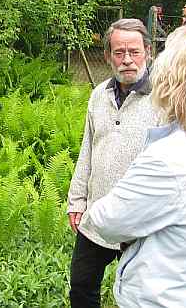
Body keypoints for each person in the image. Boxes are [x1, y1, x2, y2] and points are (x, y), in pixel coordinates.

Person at [87, 28, 186, 308]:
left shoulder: (171, 159)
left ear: (172, 83)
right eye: (119, 52)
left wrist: (100, 206)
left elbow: (107, 220)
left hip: (159, 297)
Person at [67, 18, 160, 308]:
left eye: (134, 51)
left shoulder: (164, 100)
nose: (127, 60)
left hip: (142, 223)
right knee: (81, 286)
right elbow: (87, 151)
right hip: (97, 216)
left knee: (139, 297)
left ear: (147, 52)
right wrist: (77, 200)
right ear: (108, 56)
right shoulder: (99, 95)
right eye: (119, 52)